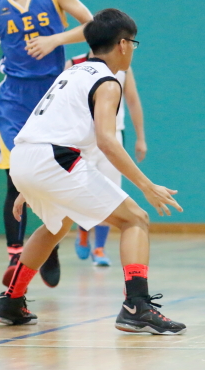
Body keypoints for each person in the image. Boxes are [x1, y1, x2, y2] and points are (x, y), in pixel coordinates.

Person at [0, 8, 186, 335]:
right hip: (50, 159)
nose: (132, 51)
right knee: (135, 219)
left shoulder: (71, 74)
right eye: (133, 44)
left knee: (56, 225)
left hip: (25, 157)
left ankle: (11, 301)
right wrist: (146, 185)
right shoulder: (107, 82)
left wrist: (27, 182)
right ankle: (136, 305)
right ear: (123, 44)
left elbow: (51, 129)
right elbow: (108, 141)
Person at [0, 0, 93, 288]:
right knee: (15, 174)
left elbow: (91, 25)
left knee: (48, 177)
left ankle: (48, 244)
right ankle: (15, 254)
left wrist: (54, 38)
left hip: (53, 96)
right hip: (13, 97)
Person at [68, 52, 147, 267]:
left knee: (109, 192)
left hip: (112, 137)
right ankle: (83, 230)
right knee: (83, 191)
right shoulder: (74, 65)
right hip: (82, 138)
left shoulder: (123, 67)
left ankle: (100, 246)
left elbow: (132, 100)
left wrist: (140, 137)